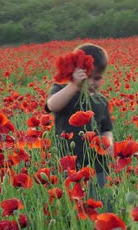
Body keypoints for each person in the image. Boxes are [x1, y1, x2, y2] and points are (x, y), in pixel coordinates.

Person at [45, 43, 114, 206]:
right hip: (70, 166)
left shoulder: (101, 101)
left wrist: (108, 142)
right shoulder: (63, 90)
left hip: (98, 166)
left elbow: (106, 129)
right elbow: (51, 105)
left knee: (102, 204)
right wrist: (74, 85)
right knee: (73, 208)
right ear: (75, 72)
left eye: (97, 78)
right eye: (87, 76)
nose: (91, 82)